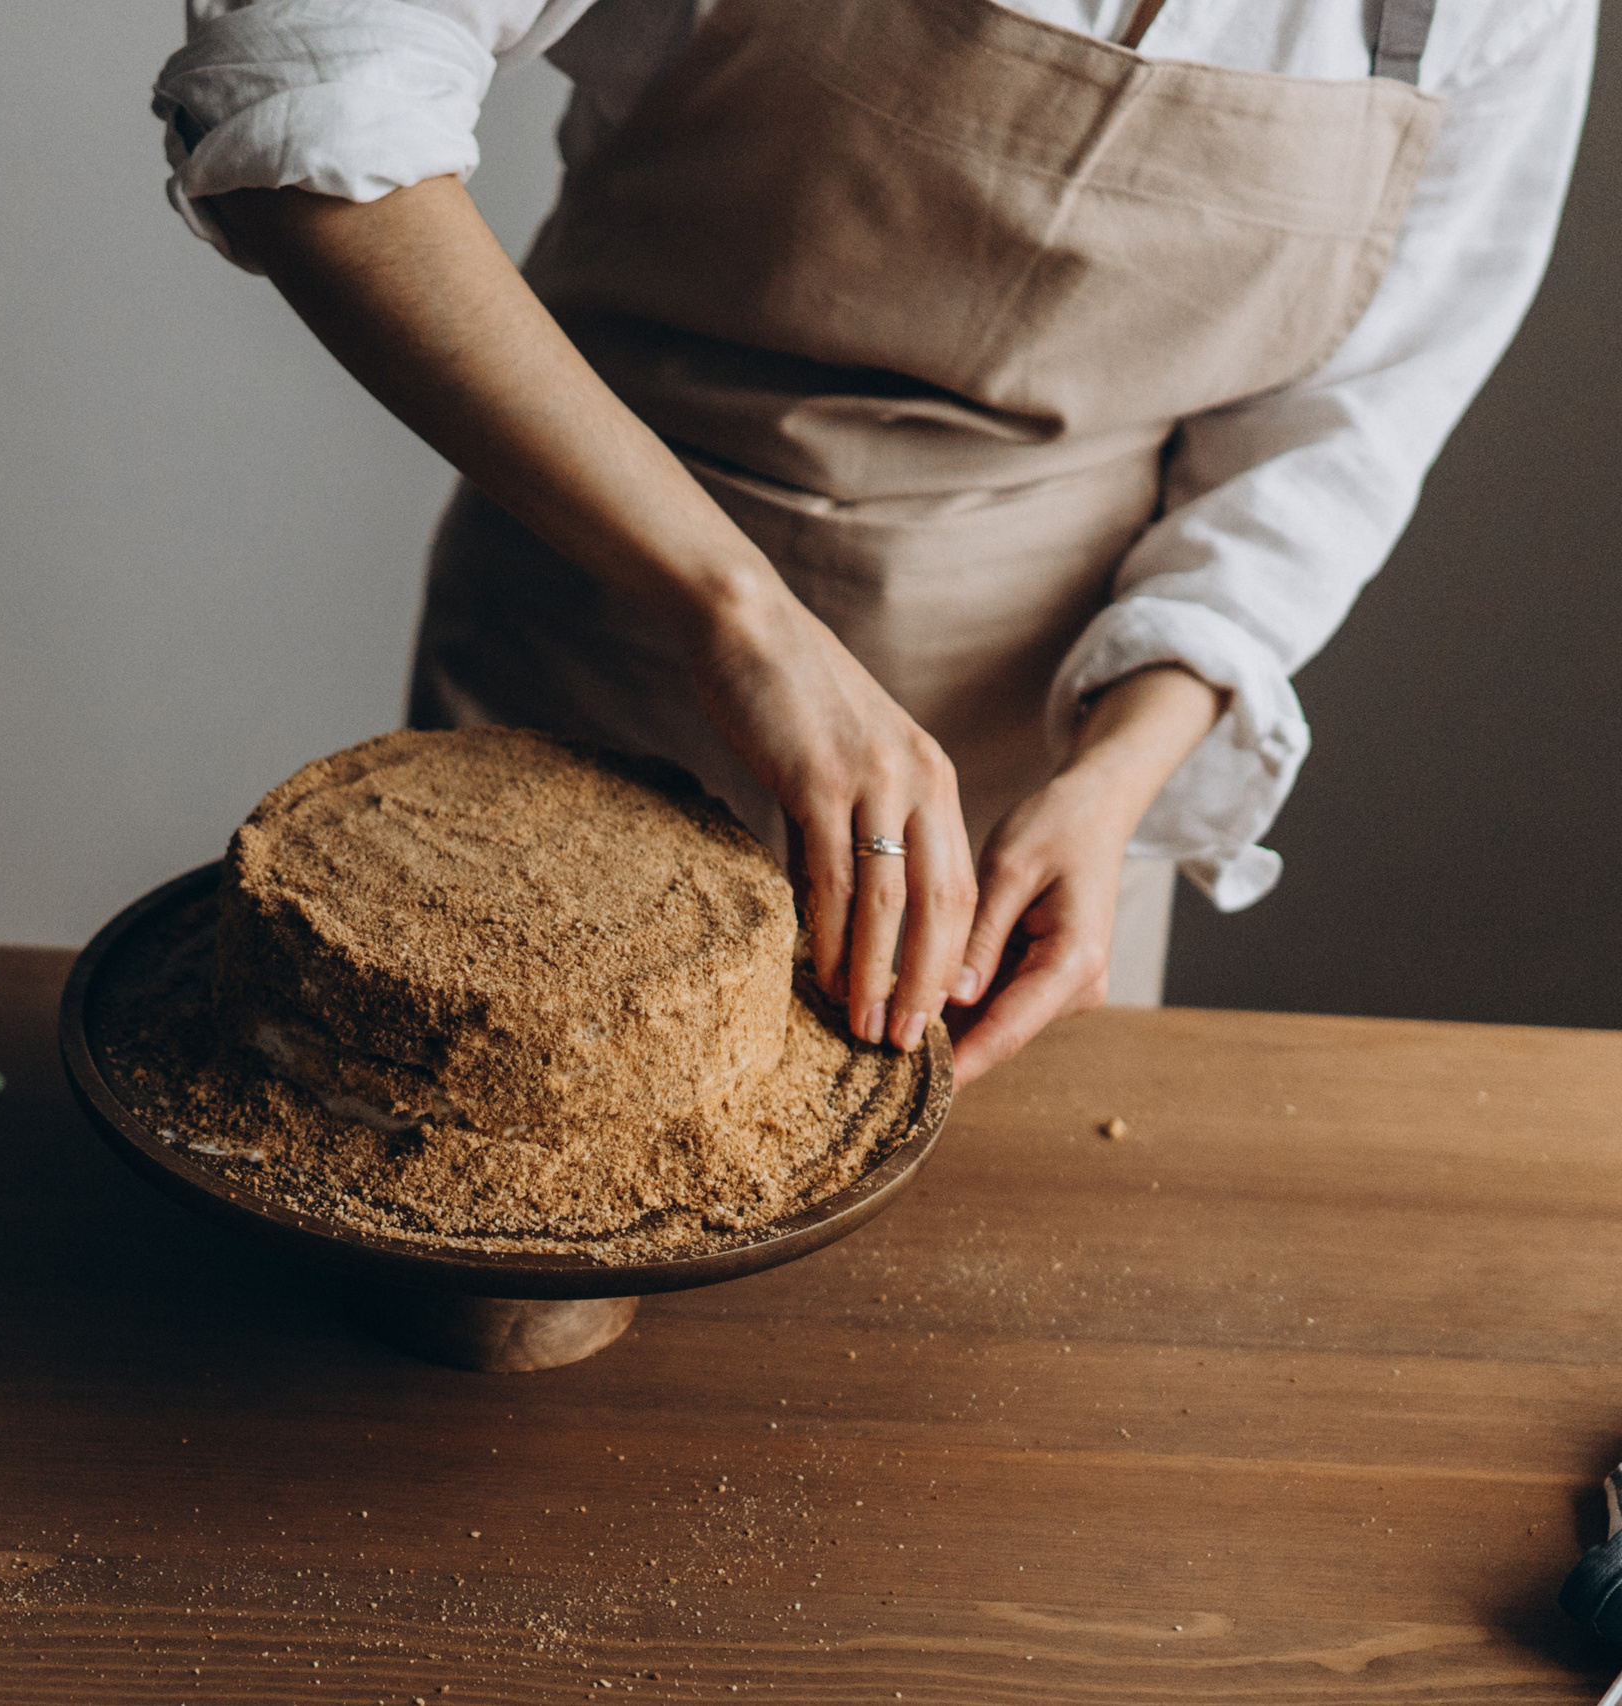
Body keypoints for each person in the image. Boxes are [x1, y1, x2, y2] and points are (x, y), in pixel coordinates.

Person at [151, 0, 1590, 1080]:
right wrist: (742, 614)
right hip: (602, 660)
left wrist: (1117, 777)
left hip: (1039, 793)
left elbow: (1340, 434)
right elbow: (305, 84)